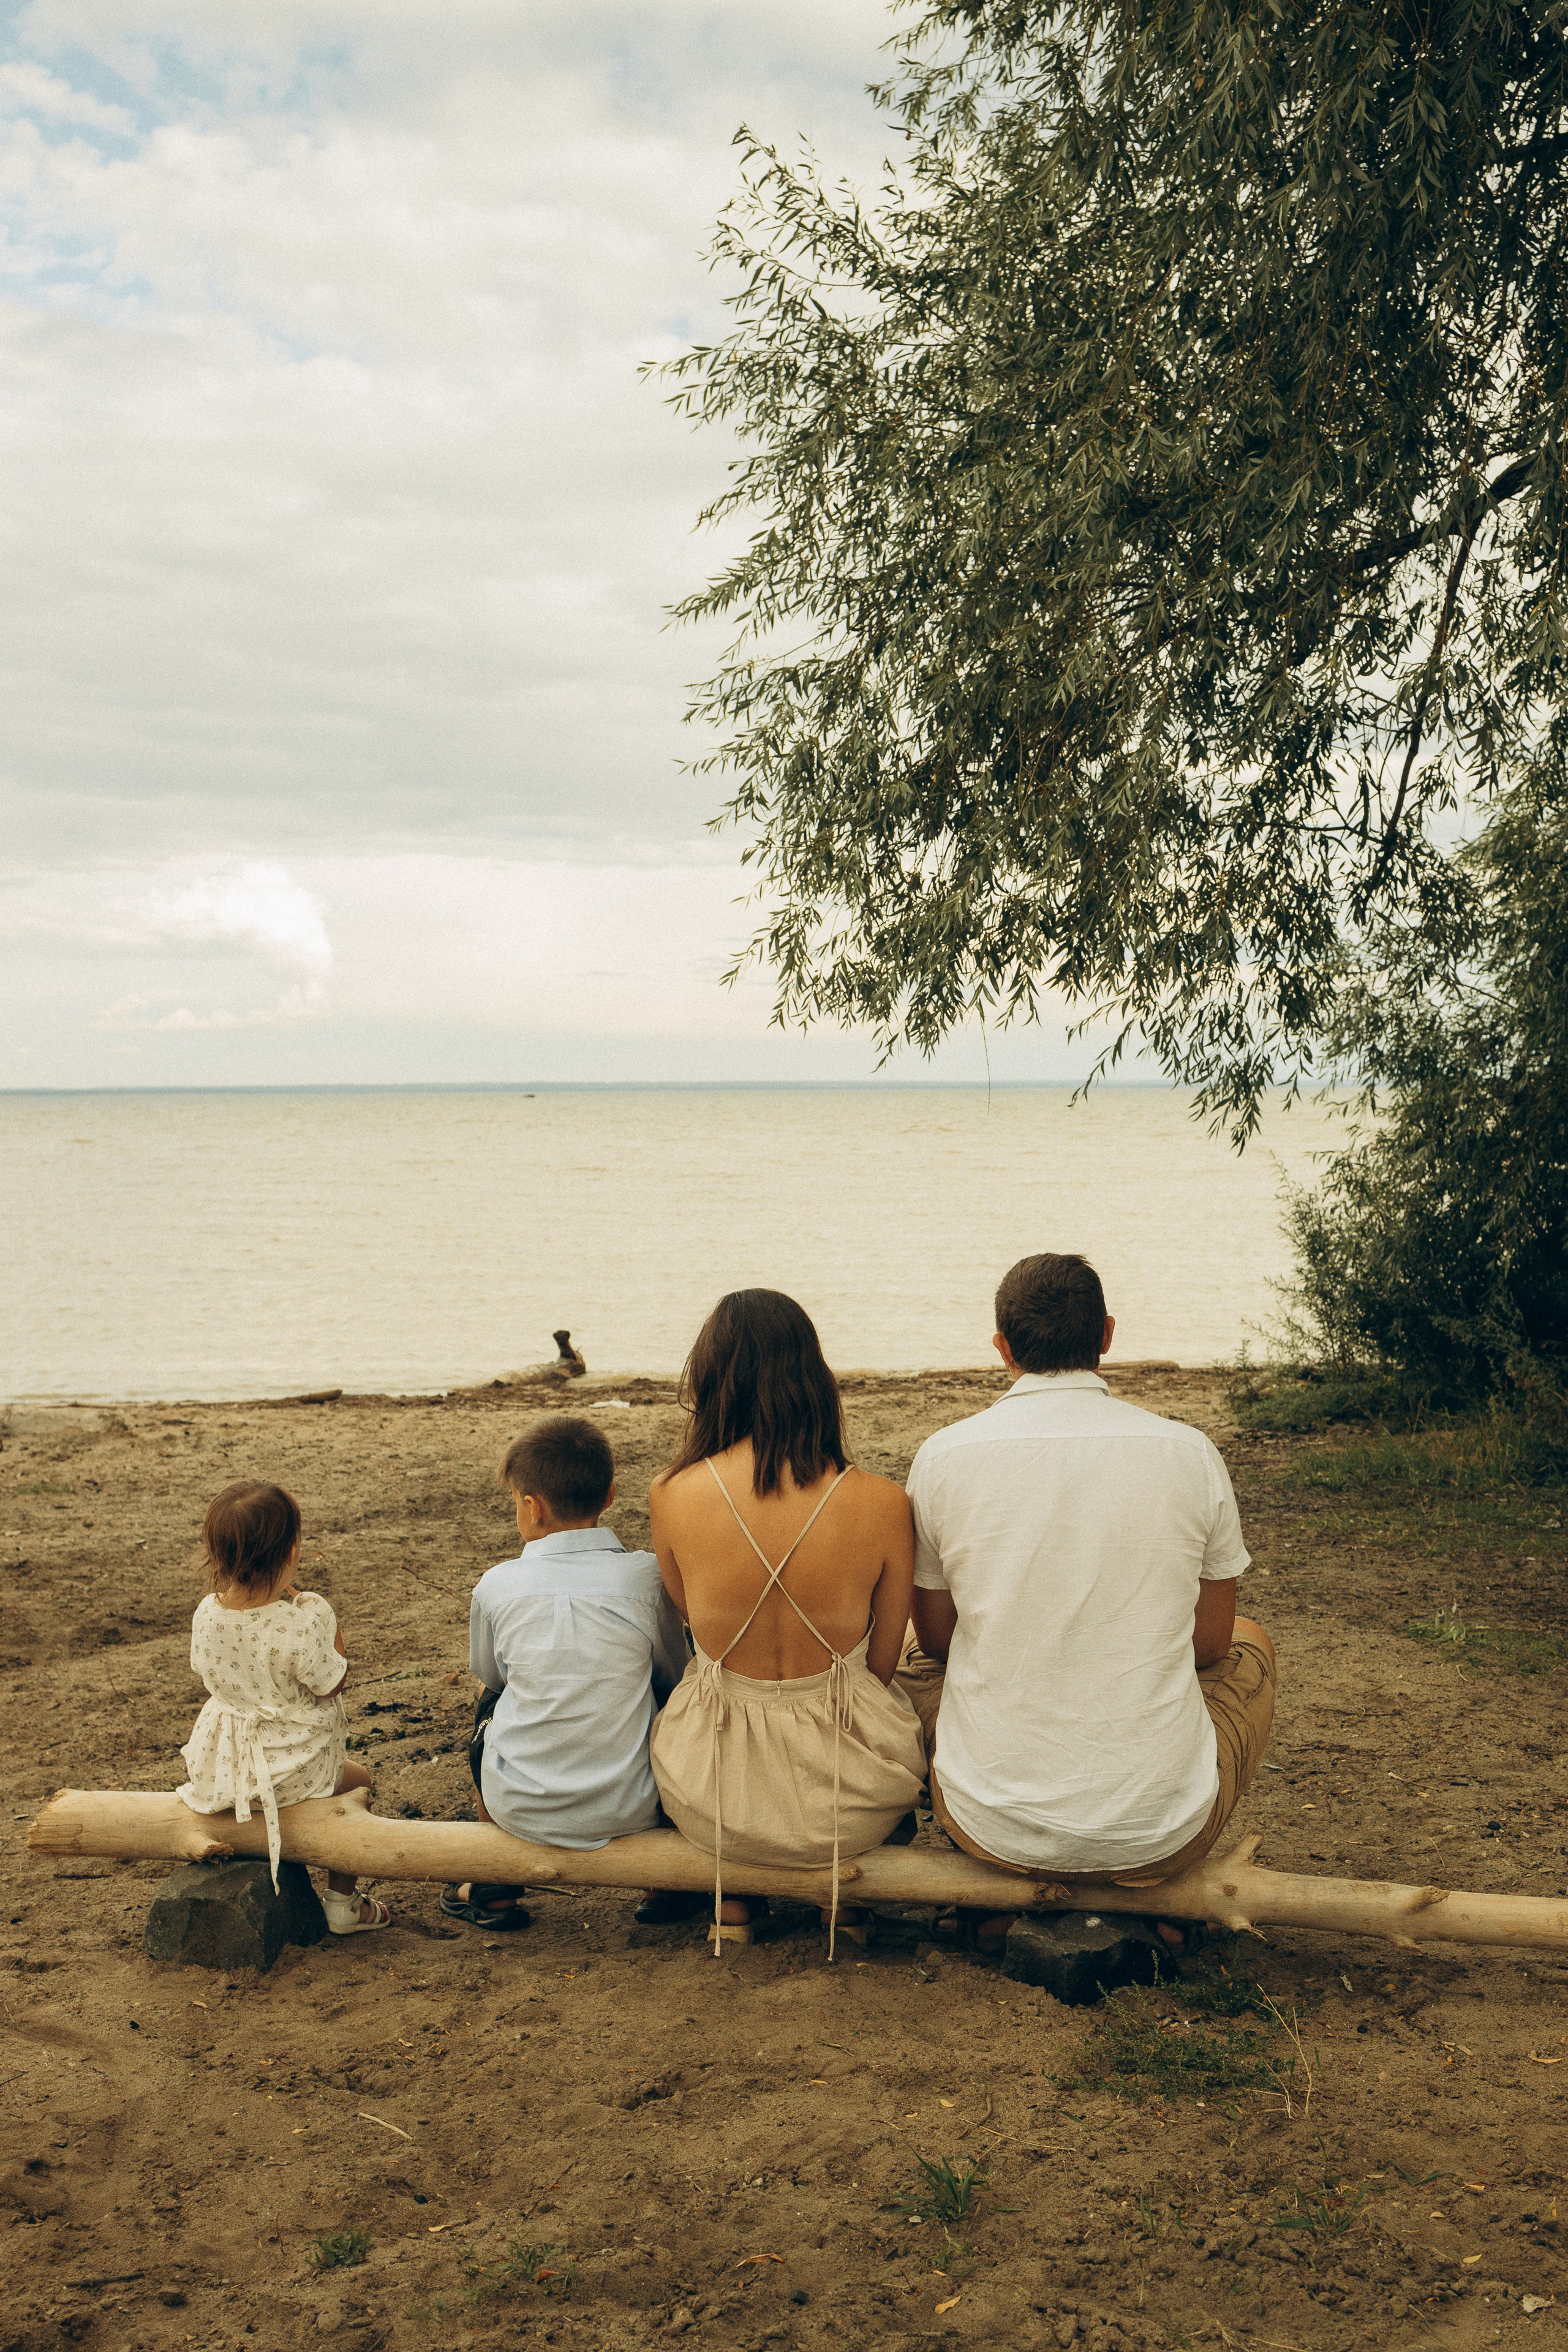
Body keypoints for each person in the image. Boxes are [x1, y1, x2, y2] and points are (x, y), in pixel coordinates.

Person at [901, 1252, 1276, 1951]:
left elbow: (940, 1642)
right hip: (1162, 1833)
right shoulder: (1188, 1453)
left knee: (902, 1664)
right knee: (1253, 1641)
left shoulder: (943, 1456)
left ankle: (995, 1896)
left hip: (990, 1829)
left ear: (1002, 1348)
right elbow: (1212, 1645)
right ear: (1106, 1335)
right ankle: (1152, 1889)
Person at [649, 1289, 926, 1953]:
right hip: (852, 1799)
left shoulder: (671, 1493)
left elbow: (700, 1634)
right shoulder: (881, 1501)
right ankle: (848, 1909)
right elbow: (882, 1661)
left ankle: (736, 1901)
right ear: (813, 1378)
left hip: (713, 1798)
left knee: (708, 1676)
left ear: (711, 1378)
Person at [443, 1414, 689, 1931]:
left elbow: (493, 1674)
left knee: (490, 1700)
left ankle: (495, 1883)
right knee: (662, 1696)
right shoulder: (647, 1576)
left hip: (521, 1807)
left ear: (531, 1508)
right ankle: (666, 1882)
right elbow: (673, 1672)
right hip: (633, 1804)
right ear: (610, 1495)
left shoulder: (496, 1584)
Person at [177, 1480, 390, 1934]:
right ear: (291, 1550)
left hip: (227, 1767)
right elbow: (333, 1683)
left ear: (219, 1555)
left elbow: (204, 1669)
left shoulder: (207, 1613)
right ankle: (343, 1903)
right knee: (358, 1781)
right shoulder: (301, 1620)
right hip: (292, 1769)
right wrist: (325, 1620)